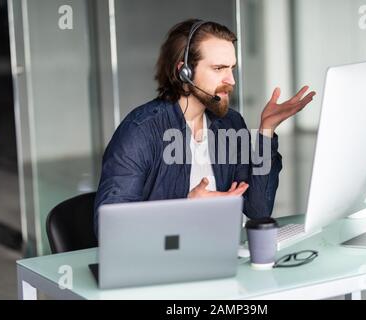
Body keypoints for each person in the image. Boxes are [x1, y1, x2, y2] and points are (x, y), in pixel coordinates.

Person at [93, 19, 315, 236]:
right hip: (163, 263)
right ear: (185, 72)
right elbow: (110, 228)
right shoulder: (140, 131)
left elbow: (258, 211)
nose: (231, 80)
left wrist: (267, 130)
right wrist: (186, 206)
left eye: (232, 68)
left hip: (219, 255)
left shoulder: (229, 124)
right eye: (218, 68)